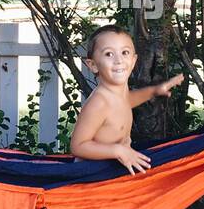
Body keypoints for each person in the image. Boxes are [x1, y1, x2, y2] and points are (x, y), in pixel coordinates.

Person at [70, 24, 184, 174]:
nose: (119, 60)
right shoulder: (99, 102)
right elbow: (78, 146)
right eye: (109, 54)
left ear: (134, 60)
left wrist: (155, 91)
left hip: (112, 169)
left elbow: (127, 101)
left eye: (125, 52)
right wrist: (118, 150)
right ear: (93, 65)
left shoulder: (117, 94)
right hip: (91, 174)